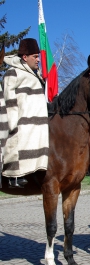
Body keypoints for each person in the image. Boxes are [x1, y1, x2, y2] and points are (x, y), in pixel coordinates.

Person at [2, 38, 49, 188]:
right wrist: (12, 122)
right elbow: (8, 99)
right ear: (25, 57)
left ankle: (34, 170)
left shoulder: (36, 74)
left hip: (37, 122)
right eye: (35, 56)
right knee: (14, 142)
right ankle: (13, 176)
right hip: (20, 121)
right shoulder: (12, 73)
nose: (38, 60)